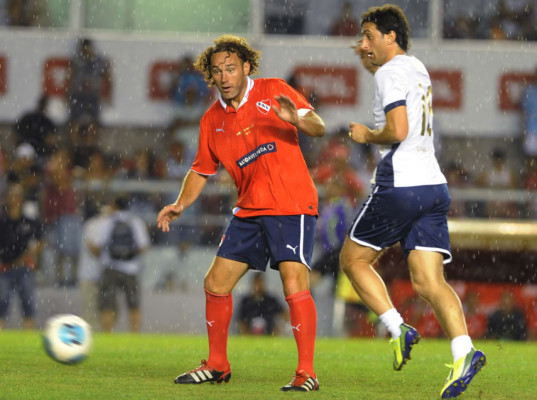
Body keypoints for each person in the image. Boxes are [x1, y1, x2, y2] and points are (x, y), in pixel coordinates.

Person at [157, 34, 325, 391]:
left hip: (290, 202)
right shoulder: (211, 120)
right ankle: (217, 365)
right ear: (211, 76)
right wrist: (180, 204)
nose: (225, 76)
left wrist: (296, 118)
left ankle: (306, 373)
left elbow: (319, 126)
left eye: (231, 68)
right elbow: (202, 170)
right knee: (215, 283)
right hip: (249, 209)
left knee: (293, 283)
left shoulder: (274, 90)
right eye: (218, 71)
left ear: (246, 67)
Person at [340, 5, 486, 399]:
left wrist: (366, 135)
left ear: (391, 36)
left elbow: (398, 130)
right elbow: (401, 98)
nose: (364, 43)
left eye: (370, 35)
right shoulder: (417, 67)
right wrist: (373, 63)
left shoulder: (389, 72)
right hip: (433, 186)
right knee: (428, 281)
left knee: (352, 260)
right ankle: (464, 352)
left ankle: (396, 326)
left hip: (400, 183)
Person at [88, 195, 150, 333]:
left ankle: (108, 333)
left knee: (107, 304)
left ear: (114, 206)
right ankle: (135, 335)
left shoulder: (108, 222)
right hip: (131, 268)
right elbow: (143, 246)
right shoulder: (135, 221)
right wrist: (129, 254)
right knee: (133, 305)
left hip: (110, 267)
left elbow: (96, 246)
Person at [0, 183, 44, 330]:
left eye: (17, 196)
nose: (14, 199)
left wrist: (30, 254)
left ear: (22, 200)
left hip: (25, 267)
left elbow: (41, 241)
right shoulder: (2, 222)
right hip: (5, 267)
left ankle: (28, 331)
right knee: (2, 302)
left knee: (27, 301)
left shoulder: (29, 221)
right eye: (11, 196)